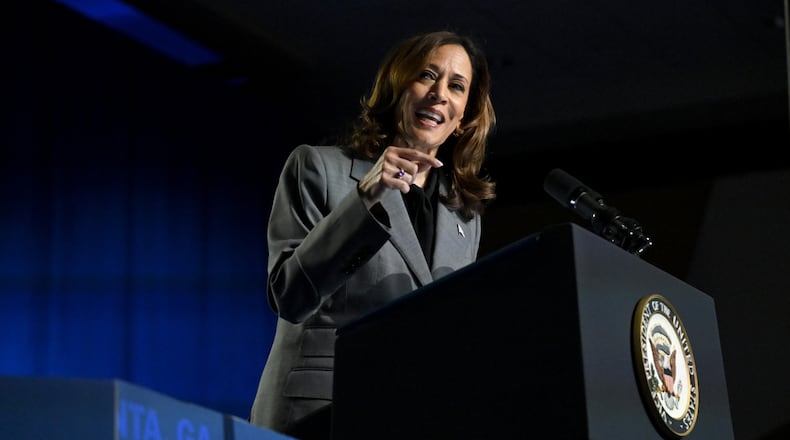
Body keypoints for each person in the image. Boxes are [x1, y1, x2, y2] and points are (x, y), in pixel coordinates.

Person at [249, 30, 497, 439]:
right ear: (397, 87)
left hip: (406, 416)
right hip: (319, 411)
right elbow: (289, 295)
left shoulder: (465, 217)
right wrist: (365, 201)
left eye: (456, 86)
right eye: (426, 76)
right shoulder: (318, 168)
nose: (439, 94)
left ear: (463, 118)